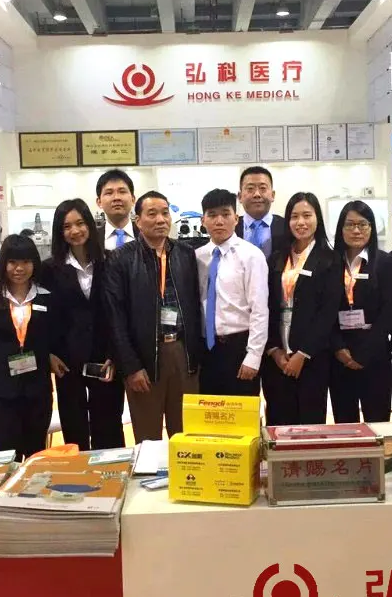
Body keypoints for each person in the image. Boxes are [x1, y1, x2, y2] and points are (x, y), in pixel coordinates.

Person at [103, 191, 202, 441]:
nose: (160, 219)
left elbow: (195, 306)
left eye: (165, 213)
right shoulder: (121, 258)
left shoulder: (185, 254)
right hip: (144, 357)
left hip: (182, 353)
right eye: (152, 214)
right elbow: (115, 319)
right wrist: (131, 367)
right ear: (138, 221)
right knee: (147, 437)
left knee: (186, 435)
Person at [41, 199, 125, 451]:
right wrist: (49, 354)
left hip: (105, 359)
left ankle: (110, 472)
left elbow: (120, 311)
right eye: (67, 227)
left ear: (89, 224)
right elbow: (44, 317)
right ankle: (78, 473)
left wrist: (115, 354)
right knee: (74, 427)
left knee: (108, 426)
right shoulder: (49, 269)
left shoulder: (110, 261)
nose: (75, 231)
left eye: (80, 223)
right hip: (67, 361)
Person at [264, 192, 342, 426]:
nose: (301, 222)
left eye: (307, 215)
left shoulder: (330, 259)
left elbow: (327, 312)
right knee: (278, 421)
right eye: (294, 216)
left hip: (312, 358)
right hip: (277, 358)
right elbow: (267, 306)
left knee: (310, 422)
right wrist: (275, 350)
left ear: (317, 219)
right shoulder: (277, 258)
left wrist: (303, 353)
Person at [0, 234, 57, 461]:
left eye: (25, 261)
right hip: (1, 391)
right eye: (12, 262)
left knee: (36, 455)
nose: (19, 268)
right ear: (3, 263)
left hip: (38, 390)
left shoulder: (47, 297)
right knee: (6, 456)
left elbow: (54, 336)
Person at [328, 201, 392, 423]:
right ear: (341, 229)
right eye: (350, 225)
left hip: (375, 354)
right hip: (339, 355)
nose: (356, 230)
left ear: (371, 228)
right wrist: (338, 347)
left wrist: (364, 353)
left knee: (377, 422)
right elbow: (323, 310)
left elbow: (389, 312)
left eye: (362, 224)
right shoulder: (330, 263)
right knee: (344, 423)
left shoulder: (386, 263)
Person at [195, 189, 269, 397]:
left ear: (236, 218)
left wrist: (254, 355)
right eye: (212, 215)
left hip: (238, 348)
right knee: (210, 412)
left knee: (241, 413)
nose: (219, 221)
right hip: (205, 350)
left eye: (225, 214)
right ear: (203, 220)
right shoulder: (197, 257)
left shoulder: (251, 256)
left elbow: (259, 309)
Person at [235, 166, 286, 259]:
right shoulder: (231, 228)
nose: (257, 194)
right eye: (250, 189)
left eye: (263, 188)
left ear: (273, 195)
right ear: (240, 196)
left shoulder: (286, 226)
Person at [96, 169, 138, 250]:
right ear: (99, 202)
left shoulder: (146, 235)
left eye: (122, 192)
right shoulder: (91, 238)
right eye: (109, 193)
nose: (116, 198)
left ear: (133, 199)